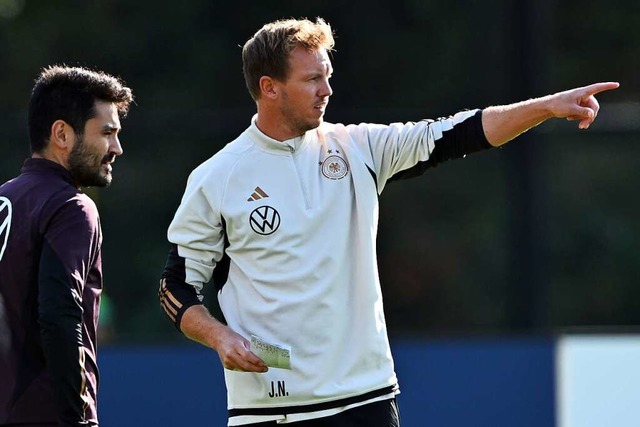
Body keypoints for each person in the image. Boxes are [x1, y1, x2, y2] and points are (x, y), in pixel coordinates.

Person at [159, 17, 618, 427]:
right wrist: (220, 337)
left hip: (368, 398)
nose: (327, 90)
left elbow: (459, 132)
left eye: (328, 76)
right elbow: (176, 287)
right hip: (271, 407)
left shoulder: (358, 148)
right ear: (270, 87)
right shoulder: (217, 178)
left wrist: (547, 106)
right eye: (313, 79)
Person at [0, 65, 133, 426]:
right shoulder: (70, 207)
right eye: (106, 133)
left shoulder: (5, 199)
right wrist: (77, 417)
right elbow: (60, 316)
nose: (117, 148)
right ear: (62, 133)